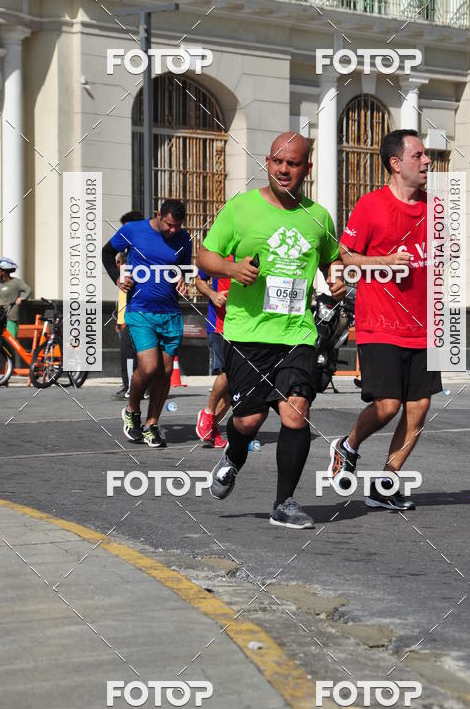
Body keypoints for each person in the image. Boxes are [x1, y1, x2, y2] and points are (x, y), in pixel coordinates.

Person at [197, 132, 345, 529]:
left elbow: (332, 258)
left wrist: (337, 278)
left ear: (306, 169)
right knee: (248, 420)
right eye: (278, 162)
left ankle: (284, 503)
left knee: (296, 411)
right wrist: (230, 269)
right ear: (267, 162)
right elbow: (205, 255)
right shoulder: (241, 208)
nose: (284, 170)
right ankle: (233, 456)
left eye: (293, 163)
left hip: (298, 331)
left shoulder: (318, 216)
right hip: (249, 333)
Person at [331, 129, 442, 512]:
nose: (427, 161)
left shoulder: (438, 207)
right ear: (396, 164)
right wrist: (383, 262)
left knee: (419, 409)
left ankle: (385, 483)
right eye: (419, 155)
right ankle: (348, 444)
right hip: (380, 323)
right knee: (388, 405)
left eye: (427, 156)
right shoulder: (371, 206)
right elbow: (344, 257)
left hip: (427, 326)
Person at [102, 199, 191, 448]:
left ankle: (152, 424)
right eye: (169, 225)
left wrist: (183, 279)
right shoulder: (133, 230)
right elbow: (106, 253)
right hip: (140, 310)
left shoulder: (184, 239)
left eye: (178, 226)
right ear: (159, 214)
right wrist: (119, 278)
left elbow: (185, 267)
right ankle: (132, 409)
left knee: (164, 371)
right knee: (150, 367)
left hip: (170, 313)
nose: (173, 230)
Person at [195, 262, 231, 448]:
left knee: (235, 387)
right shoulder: (220, 253)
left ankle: (212, 427)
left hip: (249, 328)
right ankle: (209, 412)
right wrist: (213, 294)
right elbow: (200, 281)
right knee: (229, 373)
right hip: (220, 325)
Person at [111, 210, 143, 400]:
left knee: (135, 354)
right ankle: (129, 385)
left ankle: (134, 387)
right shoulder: (128, 258)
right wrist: (119, 319)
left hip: (137, 315)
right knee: (127, 354)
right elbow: (123, 296)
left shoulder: (137, 258)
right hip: (126, 317)